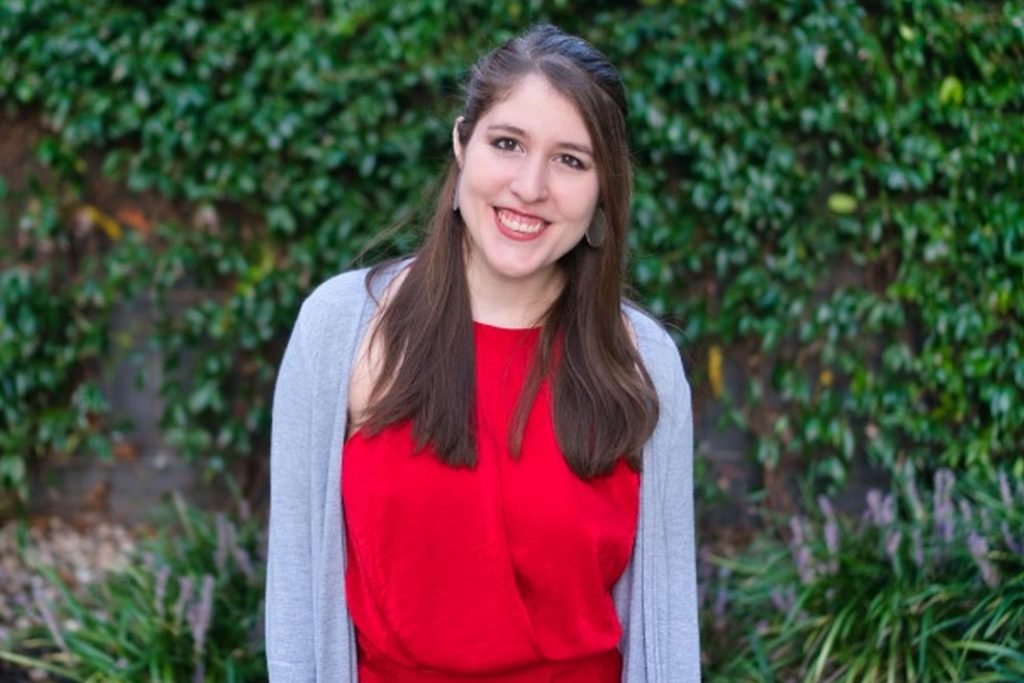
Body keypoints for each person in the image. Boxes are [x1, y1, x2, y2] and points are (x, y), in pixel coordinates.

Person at [265, 24, 699, 682]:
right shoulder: (342, 327)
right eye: (507, 143)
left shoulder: (643, 362)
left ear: (604, 189)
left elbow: (666, 627)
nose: (530, 186)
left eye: (571, 160)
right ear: (461, 142)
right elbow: (297, 590)